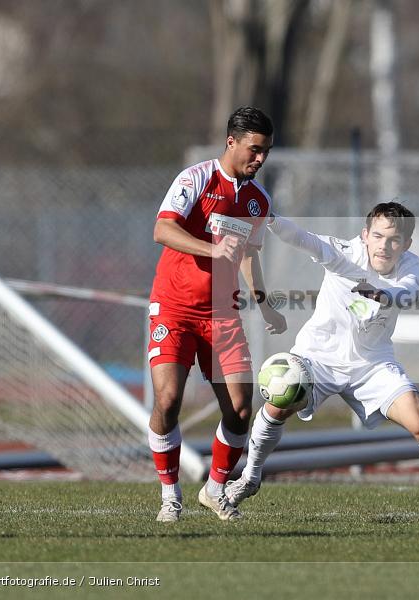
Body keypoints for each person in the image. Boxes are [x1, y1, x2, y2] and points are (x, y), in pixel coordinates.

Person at [225, 202, 419, 523]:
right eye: (378, 236)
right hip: (318, 357)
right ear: (365, 235)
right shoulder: (343, 253)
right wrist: (270, 218)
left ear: (406, 244)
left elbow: (403, 293)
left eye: (394, 240)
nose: (384, 246)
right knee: (277, 405)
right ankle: (250, 477)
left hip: (373, 364)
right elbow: (301, 237)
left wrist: (378, 293)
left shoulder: (412, 265)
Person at [147, 106, 287, 523]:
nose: (260, 158)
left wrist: (264, 302)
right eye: (254, 149)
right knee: (168, 400)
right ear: (231, 142)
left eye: (266, 151)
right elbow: (162, 230)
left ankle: (214, 489)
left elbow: (247, 255)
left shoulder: (258, 200)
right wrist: (212, 249)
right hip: (174, 308)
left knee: (241, 409)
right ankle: (170, 496)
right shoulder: (195, 179)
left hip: (223, 315)